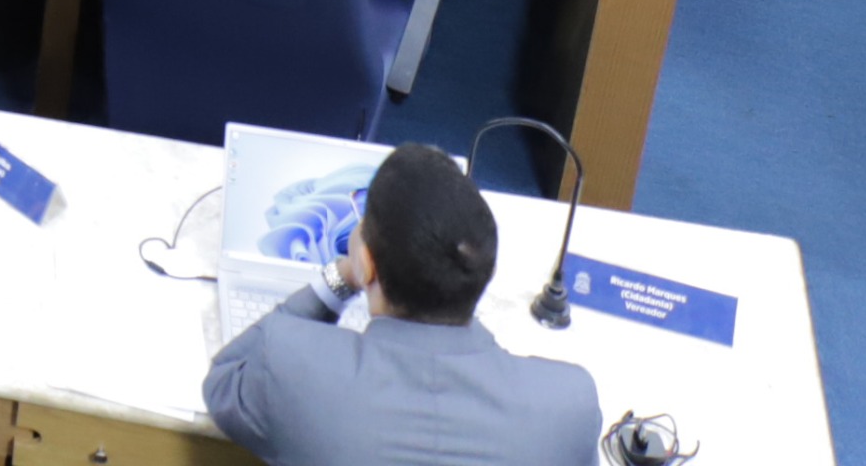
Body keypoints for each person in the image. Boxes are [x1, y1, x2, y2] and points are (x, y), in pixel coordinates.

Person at [203, 141, 602, 465]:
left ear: (367, 264)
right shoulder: (570, 406)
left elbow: (224, 380)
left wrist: (341, 277)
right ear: (487, 271)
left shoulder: (290, 365)